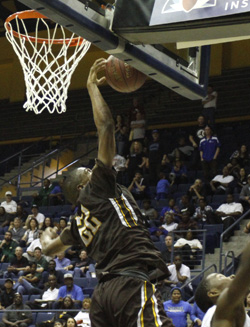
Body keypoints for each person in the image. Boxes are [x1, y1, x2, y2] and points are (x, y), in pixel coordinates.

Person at [41, 58, 173, 327]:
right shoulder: (96, 188)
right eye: (88, 171)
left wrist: (44, 241)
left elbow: (52, 249)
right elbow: (107, 127)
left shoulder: (78, 224)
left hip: (103, 294)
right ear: (82, 187)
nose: (95, 168)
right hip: (129, 283)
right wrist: (91, 86)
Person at [195, 241, 250, 327]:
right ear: (213, 293)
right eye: (221, 277)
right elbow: (245, 269)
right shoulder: (215, 311)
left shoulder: (240, 315)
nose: (231, 276)